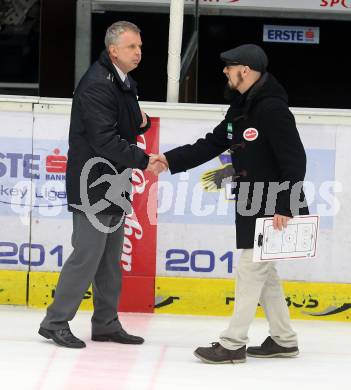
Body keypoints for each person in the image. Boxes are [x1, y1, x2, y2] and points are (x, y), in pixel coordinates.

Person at [152, 44, 309, 363]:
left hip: (274, 204)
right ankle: (284, 339)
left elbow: (295, 159)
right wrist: (170, 160)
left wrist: (285, 206)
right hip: (252, 201)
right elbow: (212, 143)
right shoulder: (240, 109)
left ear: (247, 70)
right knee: (265, 274)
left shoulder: (272, 109)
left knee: (251, 270)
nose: (225, 71)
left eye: (230, 66)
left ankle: (233, 343)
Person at [39, 21, 163, 348]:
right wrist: (143, 159)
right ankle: (54, 322)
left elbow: (133, 120)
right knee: (87, 255)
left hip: (116, 181)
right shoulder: (97, 84)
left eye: (139, 46)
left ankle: (106, 323)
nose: (138, 52)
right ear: (113, 50)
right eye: (131, 47)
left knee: (110, 259)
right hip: (92, 182)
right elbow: (104, 139)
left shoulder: (124, 82)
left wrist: (143, 123)